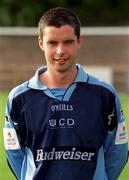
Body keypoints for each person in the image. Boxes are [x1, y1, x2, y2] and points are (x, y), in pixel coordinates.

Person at [3, 7, 128, 180]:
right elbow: (14, 153)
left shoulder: (104, 94)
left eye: (68, 42)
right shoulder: (18, 98)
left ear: (79, 42)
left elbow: (117, 150)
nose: (60, 51)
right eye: (52, 43)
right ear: (41, 43)